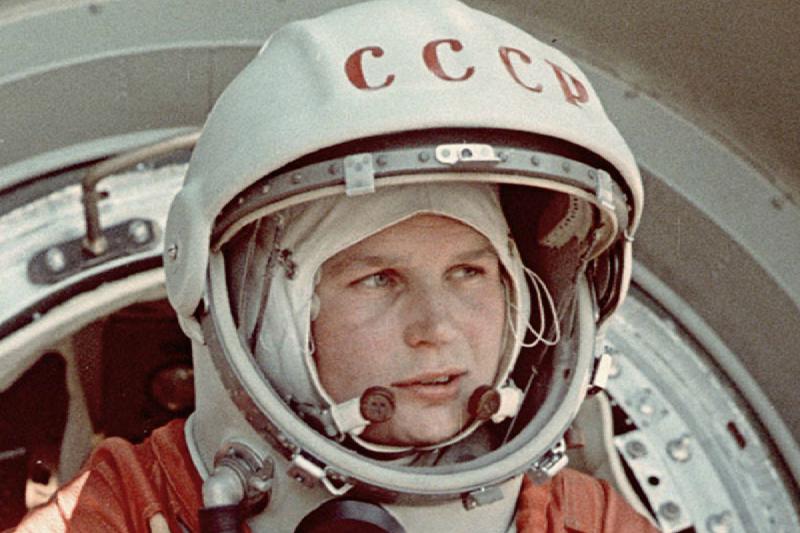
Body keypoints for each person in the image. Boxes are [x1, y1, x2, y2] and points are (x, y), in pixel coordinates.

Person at [16, 0, 659, 531]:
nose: (436, 328)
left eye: (469, 272)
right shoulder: (119, 512)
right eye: (378, 279)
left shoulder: (585, 520)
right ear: (271, 316)